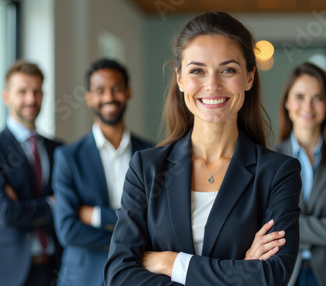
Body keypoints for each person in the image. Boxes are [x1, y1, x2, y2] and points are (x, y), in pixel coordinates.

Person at [104, 11, 302, 286]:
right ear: (180, 79)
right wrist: (240, 271)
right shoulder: (146, 168)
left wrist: (171, 262)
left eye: (228, 70)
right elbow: (119, 276)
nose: (212, 85)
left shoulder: (278, 172)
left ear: (249, 77)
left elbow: (272, 276)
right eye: (197, 70)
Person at [52, 58, 153, 286]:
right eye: (100, 90)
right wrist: (131, 237)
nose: (109, 97)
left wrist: (95, 215)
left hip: (138, 275)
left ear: (128, 92)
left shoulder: (152, 154)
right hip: (83, 277)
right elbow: (68, 230)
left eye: (116, 89)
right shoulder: (68, 157)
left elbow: (157, 221)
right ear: (89, 97)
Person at [0, 60, 63, 286]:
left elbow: (71, 206)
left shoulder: (59, 149)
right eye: (22, 92)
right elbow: (5, 212)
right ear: (7, 97)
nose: (31, 99)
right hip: (11, 270)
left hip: (57, 266)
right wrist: (52, 204)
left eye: (36, 91)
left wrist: (23, 206)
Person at [273, 62, 326, 286]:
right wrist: (325, 224)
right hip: (283, 274)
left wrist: (290, 226)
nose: (308, 106)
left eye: (318, 98)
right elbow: (267, 226)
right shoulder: (268, 159)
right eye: (300, 96)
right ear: (287, 102)